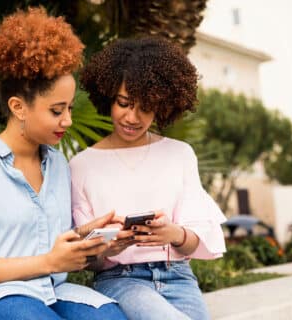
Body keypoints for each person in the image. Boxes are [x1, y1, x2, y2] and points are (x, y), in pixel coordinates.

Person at [0, 7, 128, 320]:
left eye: (69, 108)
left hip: (49, 291)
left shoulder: (58, 165)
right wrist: (50, 262)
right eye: (57, 110)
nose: (68, 120)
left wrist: (93, 242)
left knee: (109, 316)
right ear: (18, 107)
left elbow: (52, 245)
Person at [70, 37, 227, 320]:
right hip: (121, 280)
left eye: (145, 107)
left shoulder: (180, 154)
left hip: (179, 278)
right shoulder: (81, 166)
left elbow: (196, 242)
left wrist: (174, 234)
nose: (132, 117)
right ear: (108, 97)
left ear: (162, 105)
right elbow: (88, 260)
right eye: (124, 103)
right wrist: (108, 249)